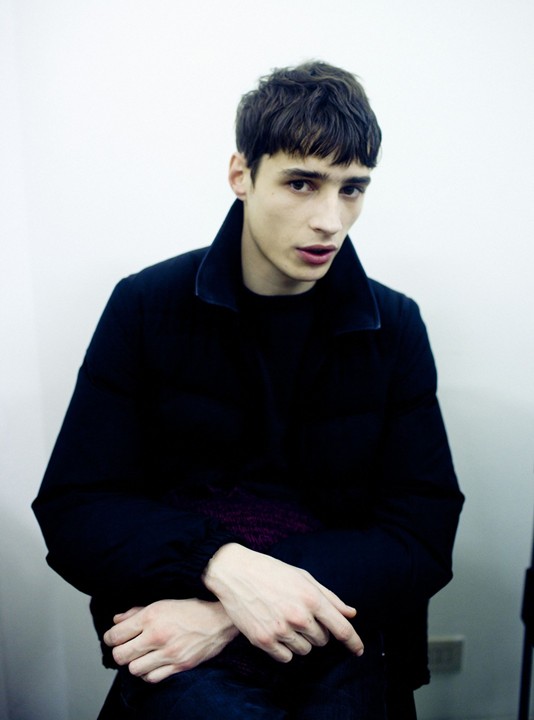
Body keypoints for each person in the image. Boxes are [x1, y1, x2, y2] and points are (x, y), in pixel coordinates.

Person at [32, 60, 464, 719]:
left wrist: (229, 613)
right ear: (241, 174)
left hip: (341, 632)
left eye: (352, 189)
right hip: (181, 643)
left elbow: (422, 532)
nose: (331, 220)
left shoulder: (394, 324)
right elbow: (76, 507)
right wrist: (221, 565)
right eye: (302, 183)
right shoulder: (147, 307)